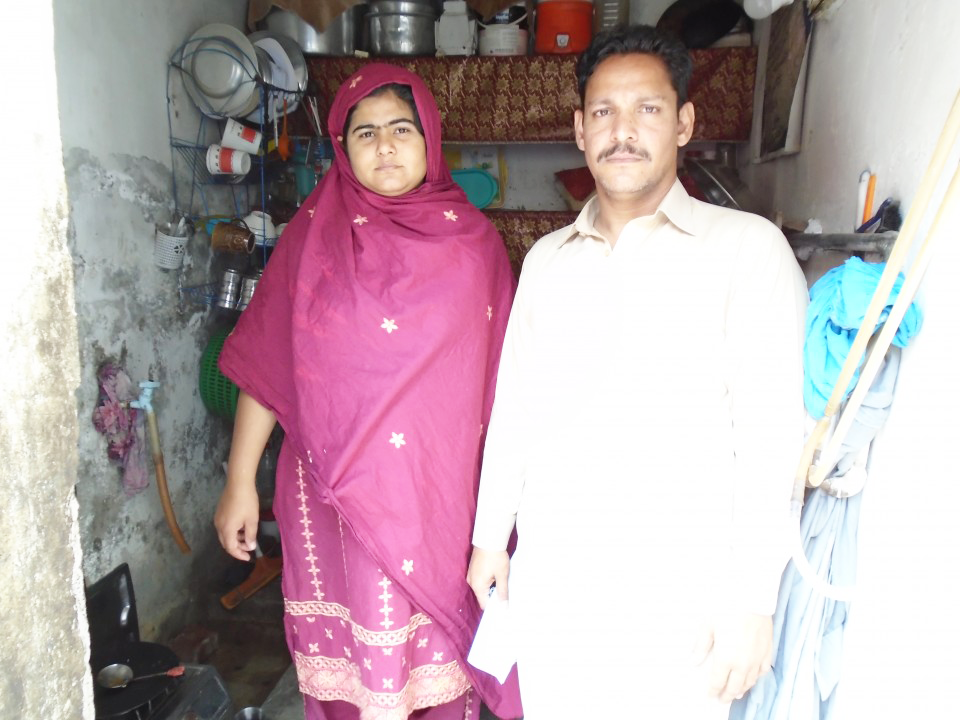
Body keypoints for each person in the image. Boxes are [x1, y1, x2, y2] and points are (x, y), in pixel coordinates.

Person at [467, 25, 809, 718]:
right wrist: (489, 538)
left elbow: (774, 439)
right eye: (604, 111)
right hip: (558, 589)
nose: (623, 131)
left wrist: (754, 602)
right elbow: (516, 409)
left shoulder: (748, 250)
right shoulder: (548, 261)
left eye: (648, 109)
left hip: (683, 606)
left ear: (684, 123)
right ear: (579, 129)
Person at [215, 64, 522, 720]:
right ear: (342, 147)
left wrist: (503, 520)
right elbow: (266, 364)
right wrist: (240, 481)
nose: (385, 145)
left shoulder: (475, 247)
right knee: (352, 675)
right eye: (365, 132)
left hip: (436, 501)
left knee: (434, 666)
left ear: (430, 139)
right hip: (332, 501)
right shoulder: (309, 240)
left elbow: (506, 392)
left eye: (402, 129)